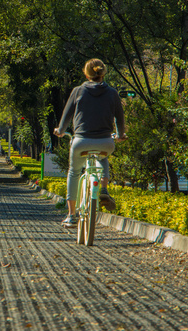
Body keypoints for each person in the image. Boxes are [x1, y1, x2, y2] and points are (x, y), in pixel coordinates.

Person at [53, 58, 127, 228]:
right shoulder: (113, 93)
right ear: (103, 73)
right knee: (103, 157)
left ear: (86, 73)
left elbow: (66, 118)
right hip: (106, 142)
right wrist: (121, 134)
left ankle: (71, 216)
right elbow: (120, 118)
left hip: (81, 142)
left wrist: (61, 130)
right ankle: (103, 189)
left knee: (74, 171)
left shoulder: (78, 91)